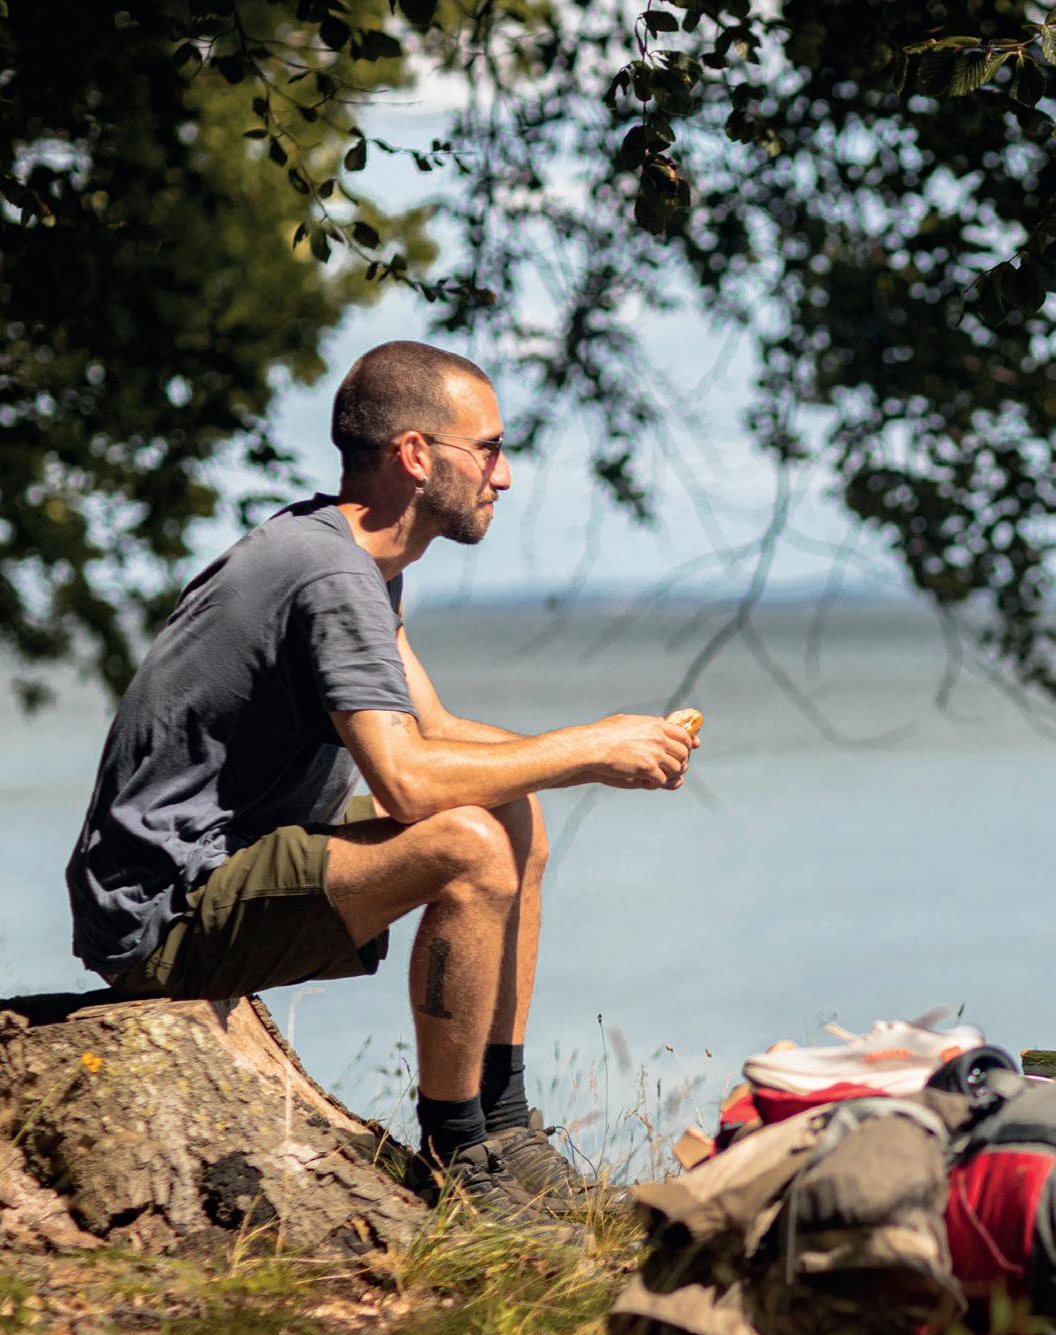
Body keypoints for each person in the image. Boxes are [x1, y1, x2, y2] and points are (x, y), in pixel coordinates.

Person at [65, 341, 702, 1221]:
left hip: (234, 865)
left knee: (508, 809)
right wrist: (589, 751)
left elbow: (432, 733)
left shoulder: (351, 559)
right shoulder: (330, 574)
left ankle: (503, 1122)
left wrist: (604, 740)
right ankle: (458, 1151)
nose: (504, 475)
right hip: (166, 915)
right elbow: (407, 782)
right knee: (466, 844)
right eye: (488, 449)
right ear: (415, 455)